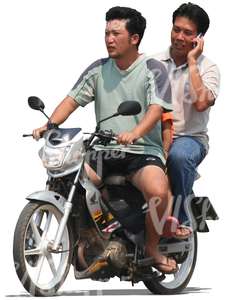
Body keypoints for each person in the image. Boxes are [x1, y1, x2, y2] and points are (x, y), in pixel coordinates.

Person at [33, 6, 177, 273]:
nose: (109, 39)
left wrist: (135, 132)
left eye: (116, 33)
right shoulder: (99, 69)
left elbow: (156, 109)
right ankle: (89, 241)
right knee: (66, 181)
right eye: (106, 33)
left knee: (158, 191)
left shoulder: (154, 69)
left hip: (142, 150)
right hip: (103, 148)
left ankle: (153, 249)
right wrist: (50, 124)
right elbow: (72, 99)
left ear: (134, 38)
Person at [152, 2, 220, 234]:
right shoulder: (152, 64)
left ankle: (182, 221)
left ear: (199, 38)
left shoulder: (209, 68)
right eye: (176, 29)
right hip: (154, 137)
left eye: (187, 32)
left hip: (189, 138)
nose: (179, 37)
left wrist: (192, 62)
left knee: (179, 157)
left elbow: (201, 103)